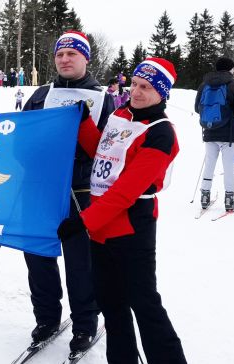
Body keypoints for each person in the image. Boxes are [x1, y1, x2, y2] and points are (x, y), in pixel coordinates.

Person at [58, 57, 188, 364]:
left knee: (145, 307)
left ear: (162, 93)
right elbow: (102, 154)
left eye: (146, 88)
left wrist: (83, 221)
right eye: (135, 85)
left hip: (132, 230)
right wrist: (84, 123)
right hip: (101, 232)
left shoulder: (161, 133)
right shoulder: (121, 113)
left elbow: (127, 190)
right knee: (111, 307)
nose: (137, 92)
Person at [22, 30, 115, 353]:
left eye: (72, 54)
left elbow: (110, 148)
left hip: (82, 188)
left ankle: (85, 324)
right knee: (38, 257)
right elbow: (21, 138)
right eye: (60, 54)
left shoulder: (104, 98)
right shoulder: (40, 95)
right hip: (42, 189)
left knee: (81, 263)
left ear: (85, 58)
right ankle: (47, 318)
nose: (64, 59)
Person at [195, 57, 234, 211]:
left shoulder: (204, 84)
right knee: (228, 166)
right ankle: (229, 199)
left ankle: (204, 195)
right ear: (230, 69)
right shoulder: (233, 85)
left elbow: (198, 108)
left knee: (209, 163)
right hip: (229, 134)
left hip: (210, 131)